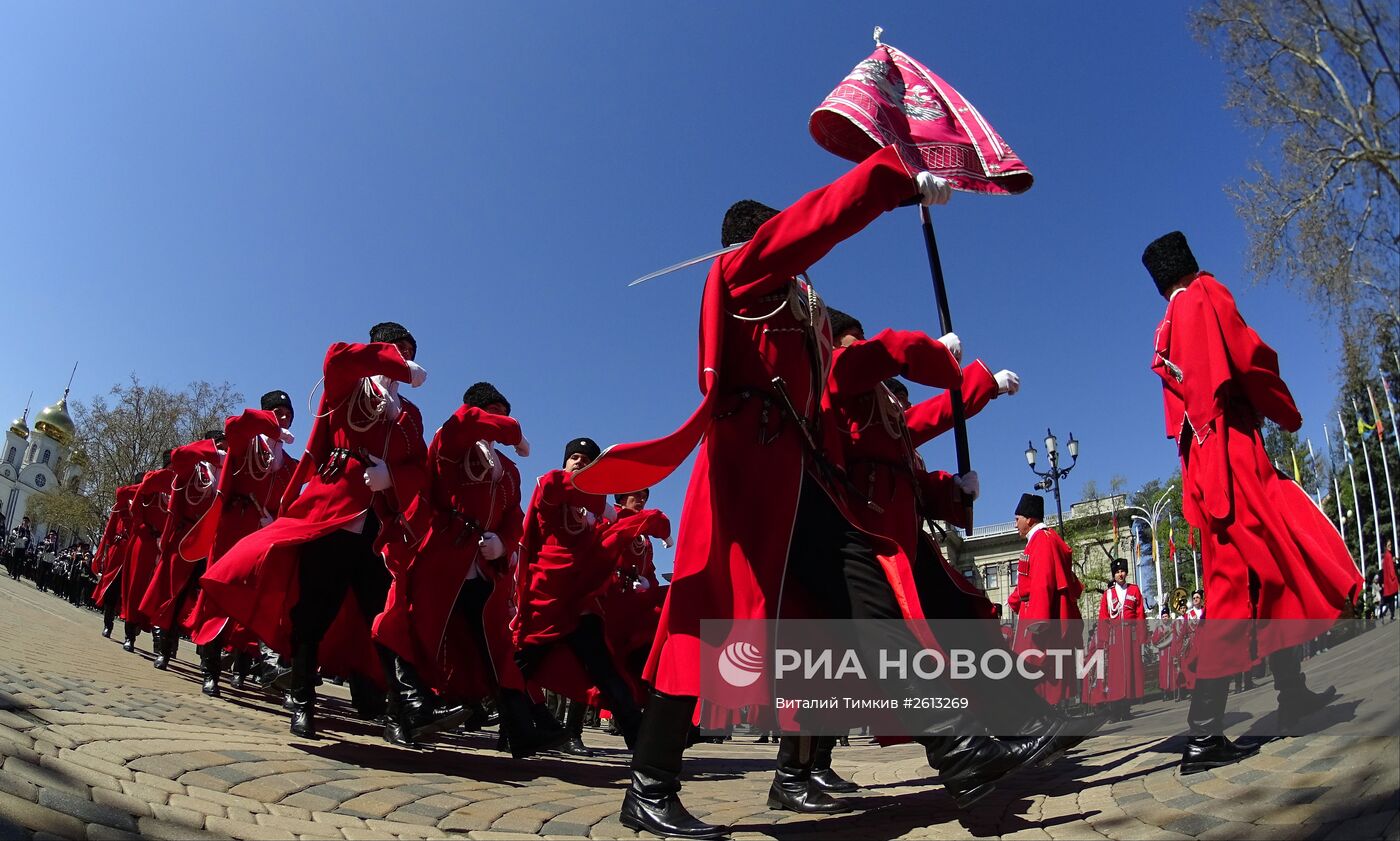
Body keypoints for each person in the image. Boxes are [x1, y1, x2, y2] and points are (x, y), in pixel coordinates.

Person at [572, 147, 1049, 838]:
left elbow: (866, 397)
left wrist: (953, 377)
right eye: (783, 243)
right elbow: (818, 226)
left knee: (865, 599)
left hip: (801, 482)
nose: (803, 267)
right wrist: (890, 182)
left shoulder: (799, 314)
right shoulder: (743, 271)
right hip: (744, 480)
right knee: (698, 630)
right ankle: (648, 788)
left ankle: (960, 747)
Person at [1143, 231, 1362, 774]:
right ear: (1192, 263)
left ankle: (1292, 691)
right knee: (1244, 581)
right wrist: (1286, 411)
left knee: (1258, 574)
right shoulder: (1206, 294)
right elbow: (1250, 357)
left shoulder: (1163, 328)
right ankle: (1202, 736)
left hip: (1201, 463)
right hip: (1232, 450)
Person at [201, 323, 460, 743]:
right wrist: (388, 359)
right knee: (314, 610)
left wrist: (390, 474)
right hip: (332, 508)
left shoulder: (410, 415)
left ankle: (404, 710)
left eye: (409, 353)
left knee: (384, 613)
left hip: (377, 523)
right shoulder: (348, 383)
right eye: (396, 351)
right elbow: (337, 356)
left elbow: (417, 467)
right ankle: (302, 699)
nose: (403, 360)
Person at [370, 382, 565, 756]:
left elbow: (514, 517)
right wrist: (512, 431)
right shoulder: (452, 441)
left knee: (494, 647)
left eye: (504, 414)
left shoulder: (507, 468)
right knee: (416, 632)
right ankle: (401, 717)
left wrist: (503, 544)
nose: (500, 421)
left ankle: (520, 728)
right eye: (494, 413)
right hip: (441, 555)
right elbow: (466, 422)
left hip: (483, 569)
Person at [511, 437, 667, 750]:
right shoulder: (553, 487)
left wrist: (650, 523)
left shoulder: (594, 515)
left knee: (605, 672)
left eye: (588, 460)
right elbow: (553, 487)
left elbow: (607, 548)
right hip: (548, 602)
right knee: (518, 666)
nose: (580, 462)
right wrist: (602, 503)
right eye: (576, 458)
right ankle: (519, 727)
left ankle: (641, 742)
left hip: (581, 604)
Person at [187, 395, 299, 696]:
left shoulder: (289, 465)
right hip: (231, 530)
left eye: (288, 415)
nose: (284, 419)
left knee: (259, 599)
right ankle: (210, 669)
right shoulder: (244, 443)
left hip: (262, 535)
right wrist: (271, 427)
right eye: (278, 413)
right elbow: (235, 425)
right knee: (218, 598)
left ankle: (259, 667)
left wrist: (275, 521)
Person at [1007, 494, 1083, 705]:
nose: (1015, 524)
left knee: (1041, 672)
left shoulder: (1041, 541)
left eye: (1017, 519)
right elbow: (1028, 581)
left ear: (1029, 519)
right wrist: (1013, 600)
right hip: (1036, 613)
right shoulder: (1041, 540)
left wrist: (1038, 622)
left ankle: (1047, 720)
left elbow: (1043, 582)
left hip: (1039, 619)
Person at [1095, 558, 1147, 721]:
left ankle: (1126, 708)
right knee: (1116, 674)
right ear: (1114, 574)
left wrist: (1141, 635)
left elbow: (1140, 614)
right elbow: (1103, 617)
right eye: (1117, 572)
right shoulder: (1108, 594)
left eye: (1123, 571)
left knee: (1130, 672)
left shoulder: (1134, 590)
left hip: (1129, 635)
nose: (1120, 574)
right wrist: (1103, 640)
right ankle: (1115, 710)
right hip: (1115, 636)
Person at [1380, 538, 1398, 624]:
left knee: (1389, 599)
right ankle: (1392, 615)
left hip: (1387, 581)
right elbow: (1391, 569)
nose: (1390, 546)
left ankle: (1386, 613)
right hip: (1391, 581)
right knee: (1391, 599)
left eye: (1390, 545)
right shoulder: (1389, 555)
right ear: (1385, 546)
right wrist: (1394, 577)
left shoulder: (1385, 556)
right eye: (1388, 545)